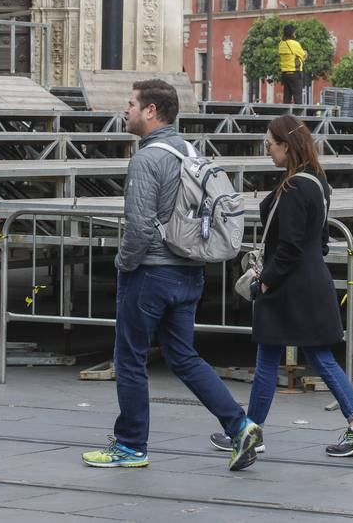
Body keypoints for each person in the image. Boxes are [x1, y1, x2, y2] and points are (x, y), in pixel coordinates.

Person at [82, 79, 263, 471]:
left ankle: (131, 445)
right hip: (190, 272)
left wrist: (124, 265)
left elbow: (140, 226)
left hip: (151, 274)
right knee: (183, 356)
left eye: (131, 104)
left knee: (129, 359)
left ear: (151, 111)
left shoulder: (147, 159)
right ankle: (240, 424)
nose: (125, 110)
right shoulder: (189, 151)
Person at [209, 114, 353, 459]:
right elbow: (319, 242)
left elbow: (288, 247)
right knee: (315, 356)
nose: (268, 152)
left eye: (269, 145)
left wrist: (265, 283)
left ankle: (255, 432)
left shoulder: (292, 188)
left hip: (287, 287)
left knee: (272, 357)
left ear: (285, 146)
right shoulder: (318, 181)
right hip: (310, 281)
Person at [277, 24, 308, 104]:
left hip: (285, 74)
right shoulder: (295, 44)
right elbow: (303, 56)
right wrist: (305, 53)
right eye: (294, 32)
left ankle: (286, 115)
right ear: (291, 33)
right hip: (295, 73)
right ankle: (298, 115)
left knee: (287, 97)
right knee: (298, 97)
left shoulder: (281, 44)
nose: (295, 34)